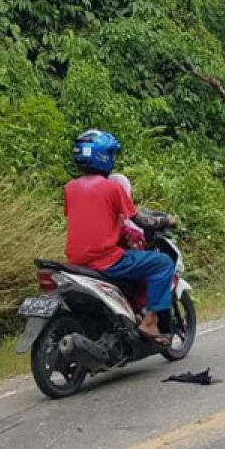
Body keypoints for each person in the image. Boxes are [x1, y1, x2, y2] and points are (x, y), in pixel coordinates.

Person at [64, 129, 177, 341]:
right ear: (102, 156)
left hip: (75, 262)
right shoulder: (112, 188)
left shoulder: (69, 188)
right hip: (107, 262)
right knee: (162, 263)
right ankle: (150, 322)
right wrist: (165, 220)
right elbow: (140, 220)